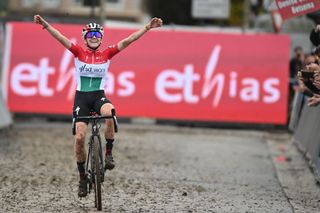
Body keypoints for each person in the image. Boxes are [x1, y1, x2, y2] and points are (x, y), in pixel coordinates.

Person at [34, 15, 163, 197]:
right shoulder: (79, 52)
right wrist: (46, 25)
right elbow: (61, 38)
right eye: (91, 34)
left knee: (110, 113)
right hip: (81, 99)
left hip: (98, 97)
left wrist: (148, 27)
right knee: (79, 138)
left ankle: (108, 153)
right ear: (85, 37)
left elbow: (128, 40)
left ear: (101, 37)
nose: (94, 36)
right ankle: (82, 179)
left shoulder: (107, 53)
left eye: (97, 33)